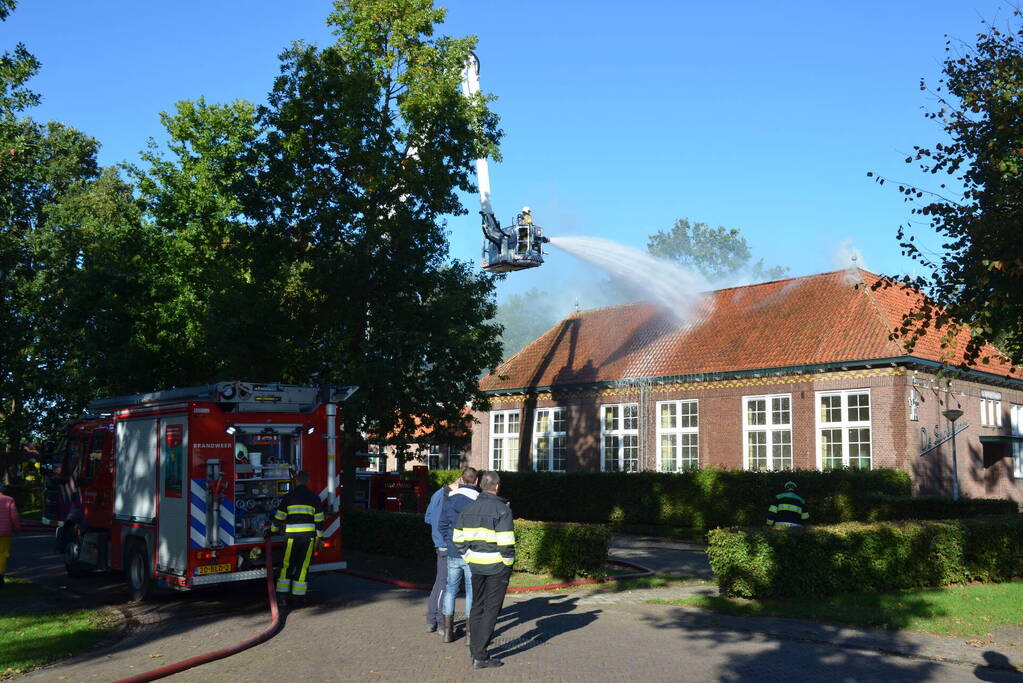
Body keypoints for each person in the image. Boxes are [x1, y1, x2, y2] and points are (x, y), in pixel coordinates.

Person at [454, 471, 515, 669]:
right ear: (497, 487)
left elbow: (458, 538)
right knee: (491, 609)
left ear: (481, 485)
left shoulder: (468, 508)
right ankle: (480, 655)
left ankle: (476, 651)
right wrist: (508, 563)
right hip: (497, 567)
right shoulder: (502, 510)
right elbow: (506, 543)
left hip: (476, 564)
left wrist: (468, 557)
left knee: (477, 605)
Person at [268, 470, 325, 607]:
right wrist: (320, 537)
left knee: (286, 565)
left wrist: (272, 531)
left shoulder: (289, 497)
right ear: (308, 481)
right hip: (308, 538)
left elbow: (279, 517)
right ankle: (298, 598)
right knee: (303, 567)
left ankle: (282, 597)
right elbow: (319, 519)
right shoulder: (314, 497)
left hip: (291, 537)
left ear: (296, 481)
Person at [437, 467, 479, 644]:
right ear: (476, 481)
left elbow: (442, 525)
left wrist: (448, 541)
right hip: (472, 553)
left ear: (461, 480)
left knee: (450, 590)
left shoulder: (450, 499)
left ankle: (448, 632)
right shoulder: (479, 500)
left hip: (453, 551)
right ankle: (470, 635)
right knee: (471, 592)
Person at [424, 476, 460, 633]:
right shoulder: (448, 497)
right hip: (445, 545)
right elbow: (441, 522)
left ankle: (432, 619)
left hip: (440, 544)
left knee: (440, 582)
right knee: (444, 583)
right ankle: (438, 621)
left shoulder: (436, 493)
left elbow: (428, 518)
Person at [0, 483, 20, 588]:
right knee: (2, 554)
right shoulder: (9, 500)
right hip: (4, 533)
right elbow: (14, 516)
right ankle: (0, 576)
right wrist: (17, 528)